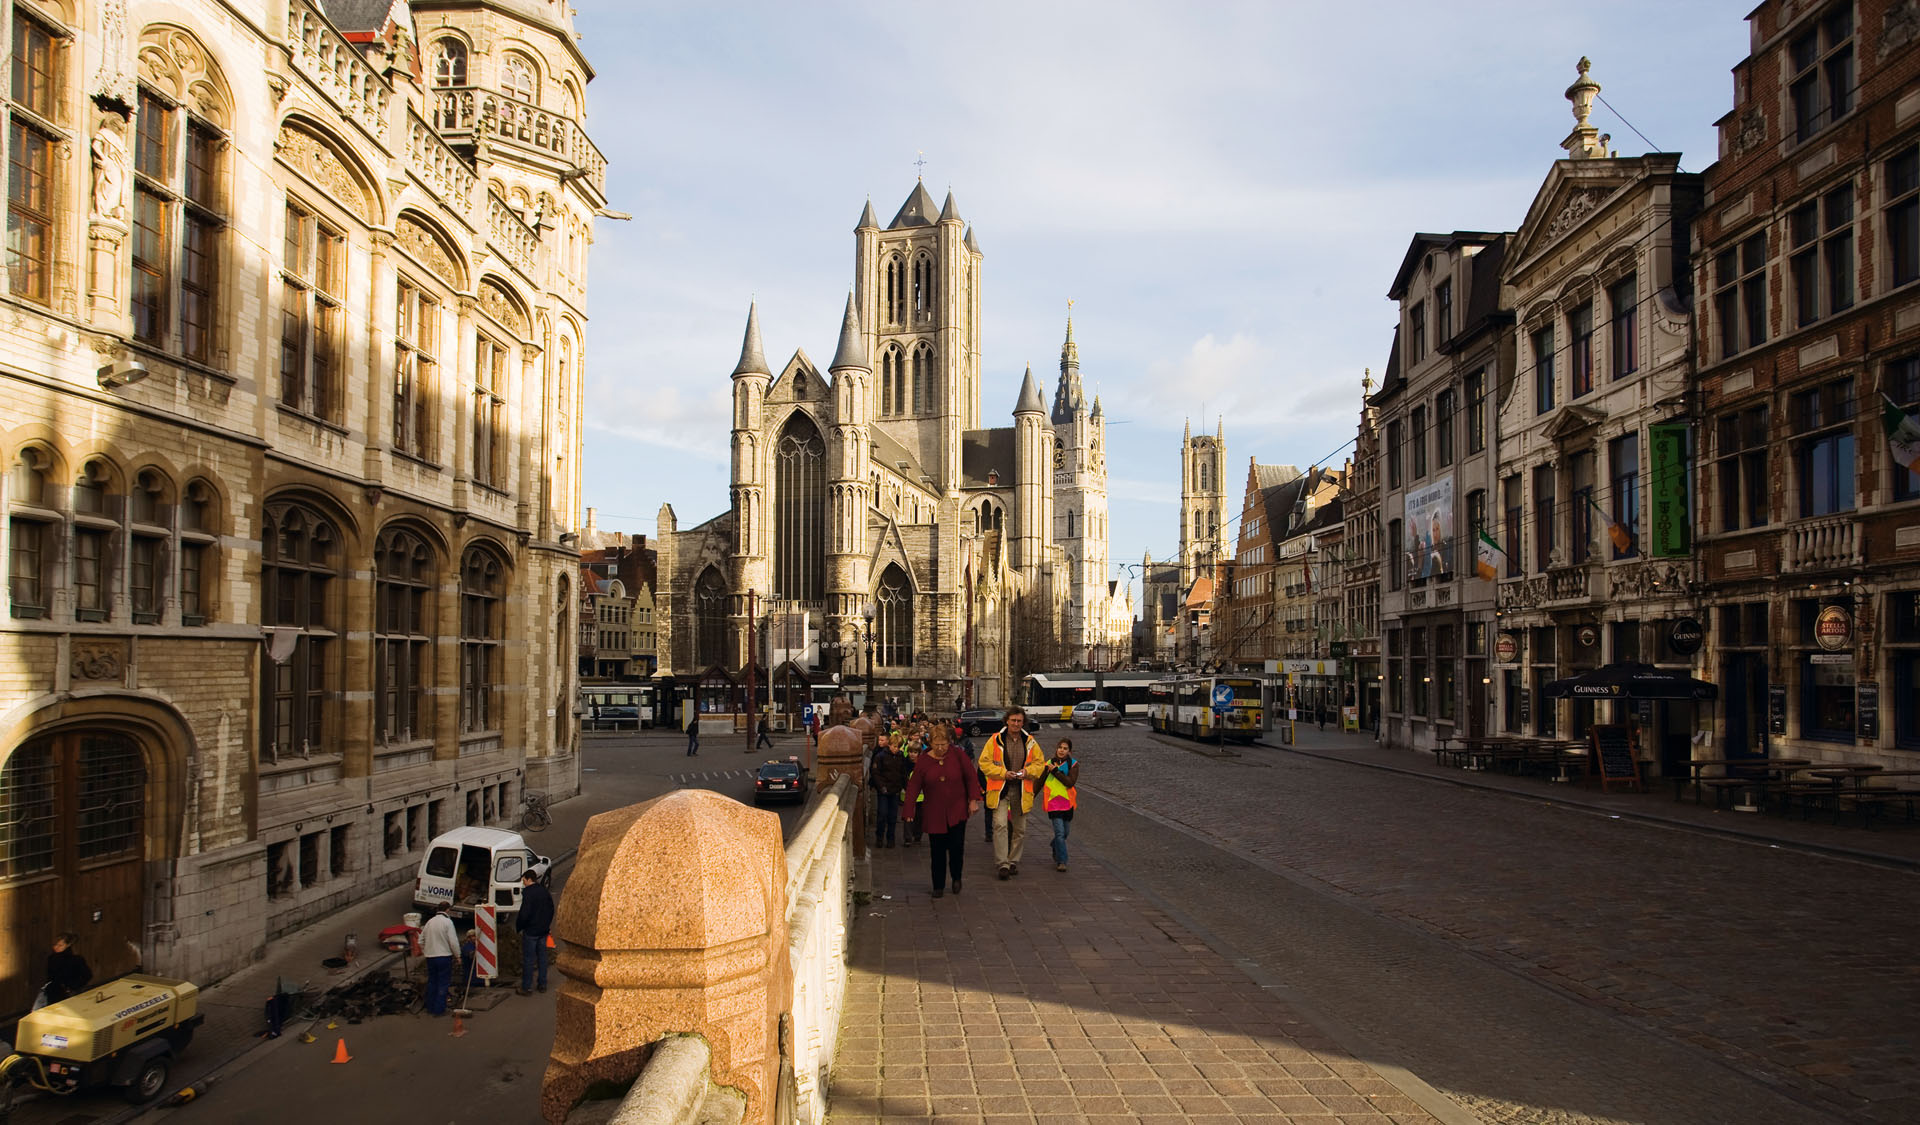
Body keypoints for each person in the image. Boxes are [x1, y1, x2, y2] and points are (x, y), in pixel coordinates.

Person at [903, 724, 982, 898]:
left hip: (957, 808)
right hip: (934, 811)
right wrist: (909, 809)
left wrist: (973, 800)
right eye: (936, 745)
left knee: (956, 847)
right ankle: (938, 885)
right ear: (930, 742)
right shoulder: (923, 760)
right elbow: (914, 785)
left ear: (949, 742)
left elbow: (970, 777)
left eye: (944, 744)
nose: (940, 748)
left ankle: (956, 877)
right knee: (937, 850)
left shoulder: (958, 755)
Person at [978, 706, 1045, 879]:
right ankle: (1002, 864)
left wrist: (1027, 772)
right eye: (1013, 720)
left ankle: (1013, 860)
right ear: (1007, 720)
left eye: (1019, 721)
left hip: (1022, 790)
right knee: (1000, 825)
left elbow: (1040, 764)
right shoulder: (995, 740)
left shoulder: (1029, 741)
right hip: (1000, 790)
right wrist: (1003, 773)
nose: (1016, 723)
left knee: (1019, 828)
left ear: (1023, 722)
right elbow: (984, 763)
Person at [515, 870, 556, 994]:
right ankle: (542, 984)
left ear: (528, 879)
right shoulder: (544, 891)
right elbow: (551, 909)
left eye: (523, 880)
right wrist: (546, 925)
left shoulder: (528, 893)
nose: (523, 883)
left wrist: (519, 926)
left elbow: (524, 913)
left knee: (529, 959)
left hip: (531, 931)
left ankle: (526, 987)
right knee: (542, 958)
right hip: (543, 930)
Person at [1043, 738, 1079, 872]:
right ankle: (1062, 861)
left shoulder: (1073, 765)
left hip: (1068, 804)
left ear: (1069, 751)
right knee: (1059, 833)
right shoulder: (1048, 764)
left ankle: (1055, 845)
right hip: (1053, 803)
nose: (1062, 750)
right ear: (1056, 748)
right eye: (1060, 747)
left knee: (1065, 833)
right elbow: (1039, 782)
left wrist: (1056, 772)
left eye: (1065, 748)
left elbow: (1070, 782)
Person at [870, 732, 909, 847]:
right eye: (894, 746)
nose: (895, 749)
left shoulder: (901, 757)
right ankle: (879, 837)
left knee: (892, 816)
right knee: (882, 814)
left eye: (898, 747)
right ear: (890, 745)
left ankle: (890, 838)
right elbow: (876, 773)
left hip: (895, 789)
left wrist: (905, 787)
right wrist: (881, 787)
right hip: (884, 790)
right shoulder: (881, 756)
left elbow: (903, 773)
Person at [420, 902, 459, 1016]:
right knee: (443, 982)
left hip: (430, 957)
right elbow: (453, 942)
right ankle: (439, 1010)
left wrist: (427, 950)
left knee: (432, 981)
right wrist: (458, 955)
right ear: (447, 910)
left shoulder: (430, 922)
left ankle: (430, 1007)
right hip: (444, 957)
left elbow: (420, 940)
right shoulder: (448, 922)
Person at [37, 933, 90, 1009]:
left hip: (70, 992)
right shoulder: (52, 958)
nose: (56, 947)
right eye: (55, 945)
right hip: (54, 992)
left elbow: (87, 975)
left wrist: (73, 986)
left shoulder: (76, 959)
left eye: (60, 945)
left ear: (67, 945)